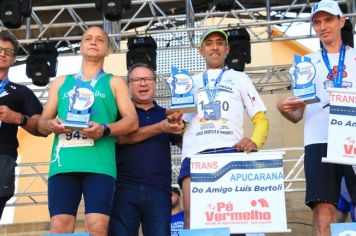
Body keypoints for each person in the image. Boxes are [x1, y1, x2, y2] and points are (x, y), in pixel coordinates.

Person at [38, 26, 138, 235]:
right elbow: (42, 123)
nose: (93, 42)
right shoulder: (61, 82)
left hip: (99, 165)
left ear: (108, 50)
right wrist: (50, 125)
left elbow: (132, 121)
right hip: (64, 164)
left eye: (100, 39)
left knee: (98, 226)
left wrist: (105, 129)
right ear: (81, 46)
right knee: (60, 226)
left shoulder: (115, 81)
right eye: (88, 38)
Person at [277, 0, 356, 235]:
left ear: (342, 21)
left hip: (352, 139)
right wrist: (284, 109)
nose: (322, 26)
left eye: (328, 20)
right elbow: (297, 114)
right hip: (319, 141)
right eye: (317, 22)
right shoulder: (305, 62)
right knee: (324, 211)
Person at [178, 28, 269, 230]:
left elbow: (261, 118)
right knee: (193, 221)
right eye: (209, 43)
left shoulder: (240, 78)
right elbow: (180, 125)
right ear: (201, 50)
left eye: (220, 42)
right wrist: (173, 121)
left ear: (227, 49)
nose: (215, 47)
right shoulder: (189, 83)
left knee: (235, 222)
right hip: (195, 155)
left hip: (230, 152)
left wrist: (255, 141)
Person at [109, 63, 184, 236]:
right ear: (128, 86)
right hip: (123, 188)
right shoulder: (120, 115)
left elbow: (186, 145)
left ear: (155, 83)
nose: (143, 83)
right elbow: (121, 138)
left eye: (148, 79)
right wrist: (160, 128)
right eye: (137, 80)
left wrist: (185, 125)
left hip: (159, 189)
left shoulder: (167, 115)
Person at [0, 31, 43, 220]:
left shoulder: (21, 92)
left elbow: (42, 127)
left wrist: (19, 118)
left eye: (8, 52)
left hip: (2, 155)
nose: (2, 54)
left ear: (13, 59)